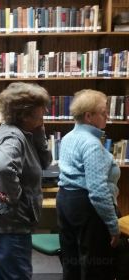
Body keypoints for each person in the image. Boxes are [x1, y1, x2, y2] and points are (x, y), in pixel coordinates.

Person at [0, 82, 52, 280]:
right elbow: (4, 166)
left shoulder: (26, 133)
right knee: (17, 276)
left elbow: (46, 162)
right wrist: (14, 196)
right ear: (25, 114)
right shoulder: (14, 136)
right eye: (41, 108)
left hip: (4, 222)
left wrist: (39, 132)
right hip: (10, 223)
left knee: (1, 275)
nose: (45, 110)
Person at [56, 89, 120, 280]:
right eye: (103, 112)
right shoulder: (91, 144)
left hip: (65, 200)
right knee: (96, 266)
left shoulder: (67, 138)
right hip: (87, 207)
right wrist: (113, 226)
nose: (107, 116)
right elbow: (98, 190)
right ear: (89, 116)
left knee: (71, 261)